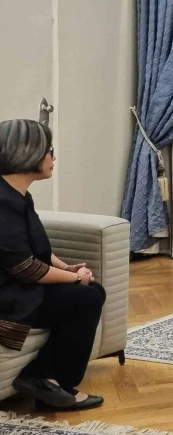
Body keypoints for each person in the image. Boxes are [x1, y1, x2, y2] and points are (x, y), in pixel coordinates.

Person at [0, 119, 105, 410]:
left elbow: (37, 249)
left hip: (16, 287)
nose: (53, 157)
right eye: (49, 150)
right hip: (8, 296)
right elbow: (24, 268)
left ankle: (45, 380)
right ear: (26, 152)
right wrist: (73, 279)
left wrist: (68, 269)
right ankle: (52, 382)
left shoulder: (17, 195)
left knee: (90, 292)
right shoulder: (3, 202)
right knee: (86, 297)